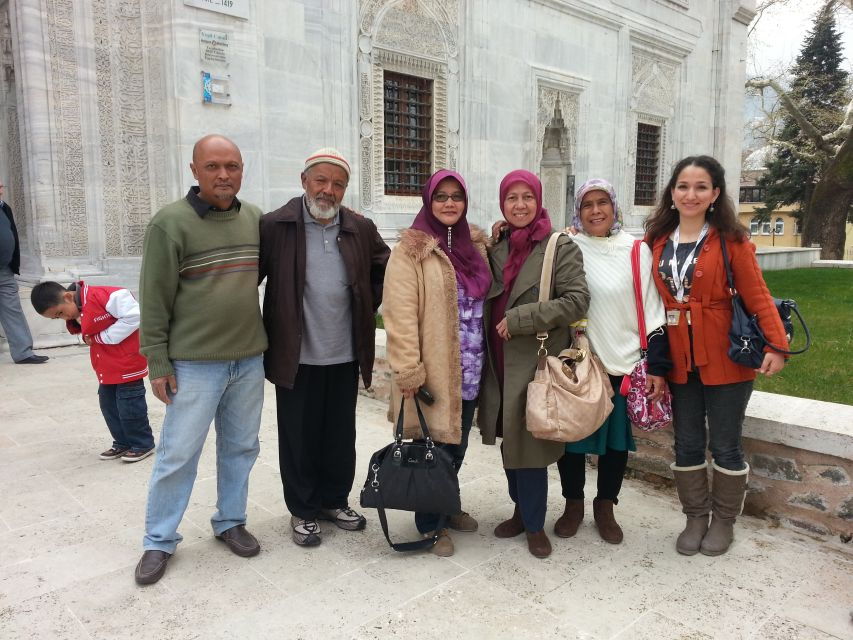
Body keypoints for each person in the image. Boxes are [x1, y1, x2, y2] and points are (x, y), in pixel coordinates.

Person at [134, 134, 268, 585]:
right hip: (193, 364)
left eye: (232, 165)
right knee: (178, 453)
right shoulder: (169, 224)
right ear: (194, 170)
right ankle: (158, 540)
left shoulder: (254, 219)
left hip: (248, 359)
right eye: (213, 166)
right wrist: (158, 361)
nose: (224, 175)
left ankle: (230, 520)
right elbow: (153, 299)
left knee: (241, 447)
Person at [645, 155, 786, 557]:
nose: (691, 194)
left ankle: (724, 520)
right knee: (687, 442)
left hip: (727, 354)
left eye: (701, 187)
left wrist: (777, 345)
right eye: (683, 186)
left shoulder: (730, 240)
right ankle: (695, 516)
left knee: (725, 444)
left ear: (715, 194)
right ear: (672, 193)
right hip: (678, 357)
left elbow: (757, 295)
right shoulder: (656, 241)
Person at [259, 148, 390, 547]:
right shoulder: (274, 225)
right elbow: (246, 277)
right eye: (321, 181)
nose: (328, 190)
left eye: (337, 184)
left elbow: (385, 267)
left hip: (344, 352)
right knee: (298, 436)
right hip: (295, 355)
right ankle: (303, 508)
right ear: (304, 181)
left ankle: (334, 500)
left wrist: (365, 301)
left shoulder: (359, 228)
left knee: (338, 433)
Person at [478, 170, 589, 559]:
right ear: (502, 204)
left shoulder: (559, 246)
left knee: (531, 448)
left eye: (528, 197)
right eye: (512, 198)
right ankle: (520, 510)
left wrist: (524, 318)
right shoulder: (500, 246)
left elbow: (576, 301)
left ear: (539, 201)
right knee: (511, 443)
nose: (520, 205)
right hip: (496, 362)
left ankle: (534, 524)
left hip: (533, 362)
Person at [554, 179, 670, 544]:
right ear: (578, 210)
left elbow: (653, 310)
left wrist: (655, 366)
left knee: (616, 445)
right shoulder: (567, 246)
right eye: (587, 204)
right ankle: (573, 504)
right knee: (572, 442)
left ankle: (605, 507)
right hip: (582, 362)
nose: (595, 211)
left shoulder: (636, 250)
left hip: (623, 363)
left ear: (614, 207)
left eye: (602, 202)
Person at [382, 169, 491, 557]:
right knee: (432, 448)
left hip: (472, 366)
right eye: (441, 196)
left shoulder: (475, 247)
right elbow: (399, 313)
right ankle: (430, 526)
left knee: (456, 446)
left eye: (456, 197)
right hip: (435, 371)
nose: (448, 203)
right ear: (428, 201)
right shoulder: (411, 251)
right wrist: (408, 368)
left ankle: (446, 504)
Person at [30, 280, 155, 462]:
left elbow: (135, 316)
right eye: (58, 318)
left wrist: (102, 337)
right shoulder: (78, 309)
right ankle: (122, 442)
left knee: (129, 405)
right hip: (105, 365)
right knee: (109, 405)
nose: (64, 319)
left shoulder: (110, 295)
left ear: (67, 296)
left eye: (61, 313)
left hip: (127, 362)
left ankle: (142, 443)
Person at [0, 180, 48, 364]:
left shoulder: (5, 208)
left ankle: (23, 352)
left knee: (12, 310)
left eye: (1, 186)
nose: (1, 188)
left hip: (5, 270)